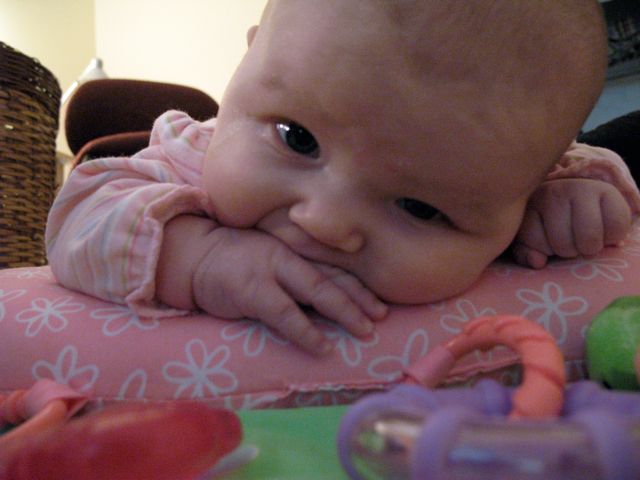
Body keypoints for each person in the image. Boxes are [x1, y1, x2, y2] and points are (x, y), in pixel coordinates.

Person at [46, 0, 640, 356]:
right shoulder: (188, 158)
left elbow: (583, 164)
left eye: (419, 207)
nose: (325, 223)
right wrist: (199, 259)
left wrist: (573, 199)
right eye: (297, 138)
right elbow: (76, 214)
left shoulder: (503, 184)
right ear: (244, 64)